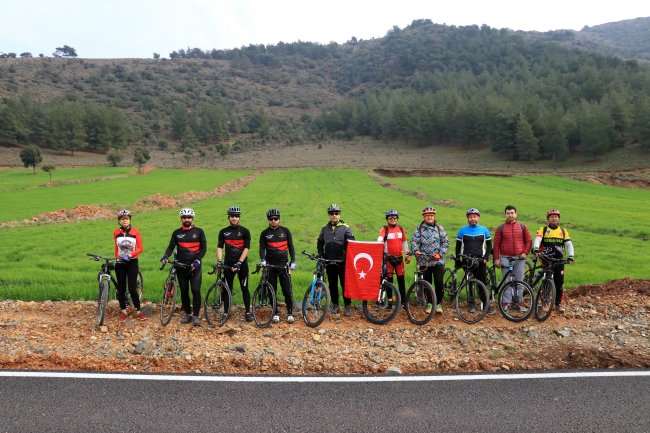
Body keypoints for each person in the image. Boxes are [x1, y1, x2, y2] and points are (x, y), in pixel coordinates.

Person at [160, 208, 206, 326]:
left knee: (195, 290)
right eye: (184, 217)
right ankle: (187, 314)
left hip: (194, 266)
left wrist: (197, 260)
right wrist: (165, 256)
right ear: (181, 219)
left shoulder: (199, 232)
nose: (187, 219)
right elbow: (171, 247)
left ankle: (196, 315)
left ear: (192, 219)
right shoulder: (176, 233)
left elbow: (204, 248)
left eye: (189, 217)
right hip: (181, 266)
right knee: (184, 291)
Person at [532, 209, 575, 313]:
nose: (554, 218)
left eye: (556, 217)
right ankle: (545, 302)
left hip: (559, 260)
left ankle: (558, 304)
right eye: (551, 217)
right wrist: (536, 249)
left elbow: (569, 244)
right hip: (547, 259)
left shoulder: (563, 231)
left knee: (559, 283)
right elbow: (537, 239)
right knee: (547, 280)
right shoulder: (543, 229)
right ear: (548, 219)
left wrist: (571, 256)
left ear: (558, 219)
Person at [259, 208, 296, 324]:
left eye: (276, 219)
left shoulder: (285, 231)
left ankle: (290, 313)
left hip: (283, 266)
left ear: (279, 219)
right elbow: (261, 249)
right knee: (272, 291)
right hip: (271, 267)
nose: (273, 221)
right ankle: (275, 313)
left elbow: (291, 247)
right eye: (271, 219)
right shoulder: (264, 233)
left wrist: (293, 261)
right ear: (268, 220)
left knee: (287, 291)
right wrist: (263, 260)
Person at [317, 204, 355, 317]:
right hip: (329, 260)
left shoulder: (346, 228)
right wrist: (321, 254)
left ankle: (348, 305)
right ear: (329, 216)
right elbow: (320, 242)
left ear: (339, 215)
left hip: (342, 262)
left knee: (345, 284)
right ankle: (335, 305)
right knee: (333, 284)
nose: (334, 216)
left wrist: (348, 257)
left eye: (336, 213)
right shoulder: (325, 228)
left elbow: (352, 244)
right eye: (332, 214)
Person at [410, 206, 449, 314]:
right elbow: (414, 241)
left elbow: (445, 242)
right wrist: (416, 250)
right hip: (424, 261)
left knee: (439, 282)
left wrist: (440, 254)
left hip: (438, 261)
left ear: (434, 216)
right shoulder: (420, 229)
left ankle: (439, 303)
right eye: (427, 216)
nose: (429, 217)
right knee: (427, 283)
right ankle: (430, 303)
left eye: (431, 215)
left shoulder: (439, 228)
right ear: (424, 217)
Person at [493, 205, 532, 311]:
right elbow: (496, 244)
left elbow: (529, 241)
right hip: (505, 258)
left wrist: (525, 252)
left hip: (519, 258)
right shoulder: (500, 228)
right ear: (505, 215)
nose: (510, 215)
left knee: (520, 281)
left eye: (512, 213)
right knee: (506, 282)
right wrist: (496, 259)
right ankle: (507, 302)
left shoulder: (523, 227)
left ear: (516, 214)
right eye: (508, 213)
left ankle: (519, 303)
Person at [217, 206, 252, 323]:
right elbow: (220, 247)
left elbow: (246, 248)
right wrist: (219, 261)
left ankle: (247, 311)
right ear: (228, 217)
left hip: (242, 264)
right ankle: (226, 312)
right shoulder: (223, 232)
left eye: (236, 216)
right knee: (227, 289)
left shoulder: (245, 231)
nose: (234, 218)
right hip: (228, 264)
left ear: (239, 218)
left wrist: (239, 263)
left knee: (244, 288)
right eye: (232, 216)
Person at [455, 208, 492, 313]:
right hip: (468, 260)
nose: (472, 219)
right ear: (468, 218)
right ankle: (471, 304)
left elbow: (489, 245)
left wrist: (486, 257)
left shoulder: (484, 230)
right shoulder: (462, 230)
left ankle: (485, 304)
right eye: (470, 217)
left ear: (478, 218)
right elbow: (458, 247)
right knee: (469, 282)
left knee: (482, 283)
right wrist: (458, 259)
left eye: (474, 217)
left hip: (481, 261)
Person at [113, 209, 146, 322]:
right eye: (122, 219)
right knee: (121, 288)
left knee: (132, 287)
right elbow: (116, 247)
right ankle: (123, 312)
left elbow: (141, 248)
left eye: (126, 219)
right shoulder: (116, 232)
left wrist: (131, 254)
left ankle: (138, 311)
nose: (125, 221)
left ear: (129, 219)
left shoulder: (135, 232)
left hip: (132, 261)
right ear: (119, 221)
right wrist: (117, 258)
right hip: (120, 262)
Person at [377, 210, 410, 309]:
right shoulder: (385, 229)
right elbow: (380, 238)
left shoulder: (400, 228)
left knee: (401, 281)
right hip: (389, 259)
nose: (392, 220)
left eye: (394, 218)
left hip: (399, 259)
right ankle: (390, 302)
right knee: (389, 281)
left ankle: (403, 302)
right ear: (387, 219)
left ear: (397, 219)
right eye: (390, 218)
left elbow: (404, 242)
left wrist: (407, 255)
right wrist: (379, 241)